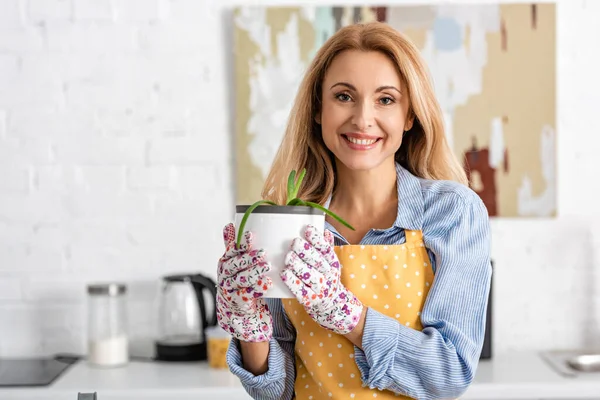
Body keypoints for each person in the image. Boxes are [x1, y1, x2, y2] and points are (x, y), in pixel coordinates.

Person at [216, 21, 492, 400]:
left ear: (409, 116)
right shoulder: (288, 223)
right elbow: (277, 393)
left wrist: (348, 316)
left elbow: (450, 374)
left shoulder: (452, 212)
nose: (363, 119)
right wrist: (249, 325)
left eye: (386, 99)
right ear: (318, 109)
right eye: (344, 96)